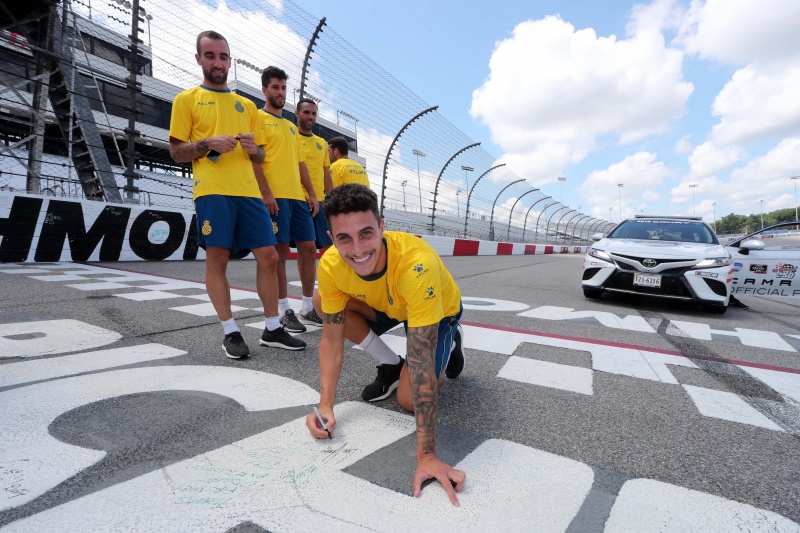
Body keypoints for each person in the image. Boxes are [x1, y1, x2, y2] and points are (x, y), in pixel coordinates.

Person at [305, 184, 467, 506]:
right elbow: (331, 340)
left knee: (409, 400)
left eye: (366, 233)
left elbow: (421, 363)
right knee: (322, 301)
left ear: (381, 227)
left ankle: (451, 340)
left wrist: (427, 455)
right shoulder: (331, 264)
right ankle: (392, 364)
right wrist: (325, 406)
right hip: (387, 304)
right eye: (344, 238)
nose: (357, 249)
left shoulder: (416, 264)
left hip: (436, 311)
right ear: (332, 238)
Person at [168, 31, 303, 359]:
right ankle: (230, 332)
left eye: (223, 56)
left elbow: (260, 156)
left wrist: (254, 149)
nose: (218, 62)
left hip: (249, 193)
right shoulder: (186, 99)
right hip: (213, 191)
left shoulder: (247, 106)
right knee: (217, 260)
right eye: (210, 56)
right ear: (199, 59)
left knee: (269, 257)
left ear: (230, 61)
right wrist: (207, 144)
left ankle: (272, 328)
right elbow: (176, 152)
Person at [256, 66, 320, 335]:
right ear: (265, 90)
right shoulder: (258, 118)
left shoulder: (291, 128)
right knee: (279, 253)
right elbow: (254, 158)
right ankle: (284, 311)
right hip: (276, 197)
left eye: (283, 88)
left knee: (309, 248)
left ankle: (307, 306)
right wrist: (266, 192)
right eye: (275, 87)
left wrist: (312, 193)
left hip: (297, 198)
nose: (280, 92)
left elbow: (301, 164)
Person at [295, 98, 333, 326]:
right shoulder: (292, 136)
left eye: (314, 113)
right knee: (307, 249)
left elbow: (326, 174)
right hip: (297, 199)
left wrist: (333, 201)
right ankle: (306, 306)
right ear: (297, 113)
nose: (310, 117)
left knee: (330, 252)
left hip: (321, 203)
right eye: (306, 112)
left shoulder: (321, 143)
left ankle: (328, 299)